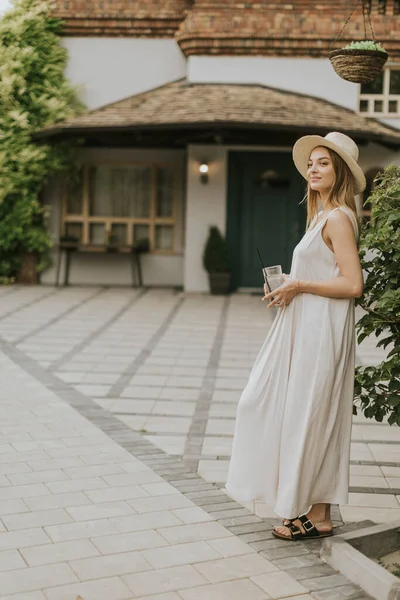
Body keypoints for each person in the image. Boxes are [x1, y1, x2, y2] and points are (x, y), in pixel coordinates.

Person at [225, 132, 365, 541]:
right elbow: (322, 274)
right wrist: (289, 284)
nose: (313, 169)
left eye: (323, 163)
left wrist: (300, 285)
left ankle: (319, 515)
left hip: (323, 333)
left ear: (339, 171)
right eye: (311, 163)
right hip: (306, 327)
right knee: (294, 410)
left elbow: (352, 284)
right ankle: (310, 507)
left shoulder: (338, 217)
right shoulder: (320, 217)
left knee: (314, 414)